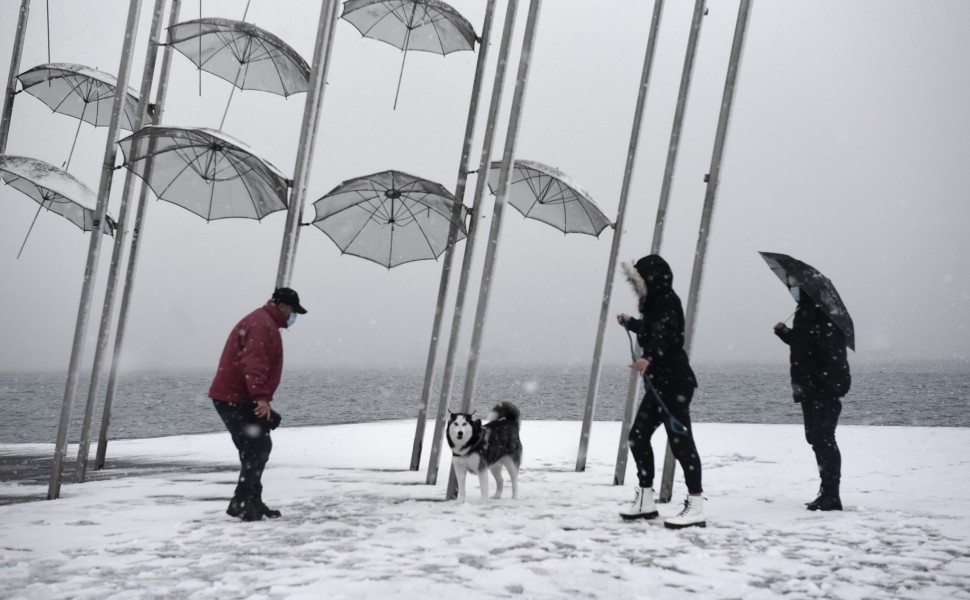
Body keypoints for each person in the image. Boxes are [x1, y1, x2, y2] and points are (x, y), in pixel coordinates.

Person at [616, 255, 705, 529]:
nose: (637, 287)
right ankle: (645, 500)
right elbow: (654, 329)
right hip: (659, 385)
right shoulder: (656, 302)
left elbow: (668, 336)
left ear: (651, 279)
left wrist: (649, 357)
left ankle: (696, 505)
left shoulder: (668, 301)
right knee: (637, 437)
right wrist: (632, 323)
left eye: (639, 281)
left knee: (680, 443)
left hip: (675, 383)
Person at [209, 287, 307, 521]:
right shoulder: (262, 325)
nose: (292, 318)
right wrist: (261, 399)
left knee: (256, 448)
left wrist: (261, 399)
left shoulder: (263, 322)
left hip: (235, 396)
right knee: (256, 448)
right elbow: (254, 364)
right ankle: (243, 502)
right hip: (234, 397)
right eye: (292, 312)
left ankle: (251, 500)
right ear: (283, 307)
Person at [773, 282, 851, 511]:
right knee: (815, 439)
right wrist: (784, 333)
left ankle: (831, 494)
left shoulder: (824, 315)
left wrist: (823, 384)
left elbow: (829, 353)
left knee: (823, 439)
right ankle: (827, 491)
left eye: (796, 287)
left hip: (822, 390)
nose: (792, 290)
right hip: (809, 389)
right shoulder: (805, 313)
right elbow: (802, 344)